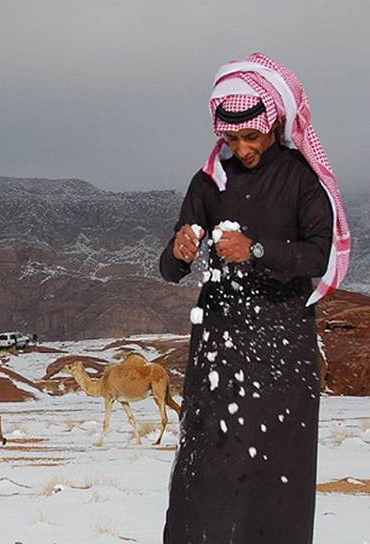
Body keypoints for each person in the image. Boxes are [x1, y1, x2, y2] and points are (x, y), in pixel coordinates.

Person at [159, 53, 351, 544]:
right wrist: (181, 250)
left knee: (277, 470)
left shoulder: (302, 179)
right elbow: (170, 265)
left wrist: (257, 251)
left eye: (252, 136)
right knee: (206, 469)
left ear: (274, 124)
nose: (241, 148)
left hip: (283, 344)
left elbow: (316, 254)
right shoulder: (209, 182)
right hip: (219, 345)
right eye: (231, 139)